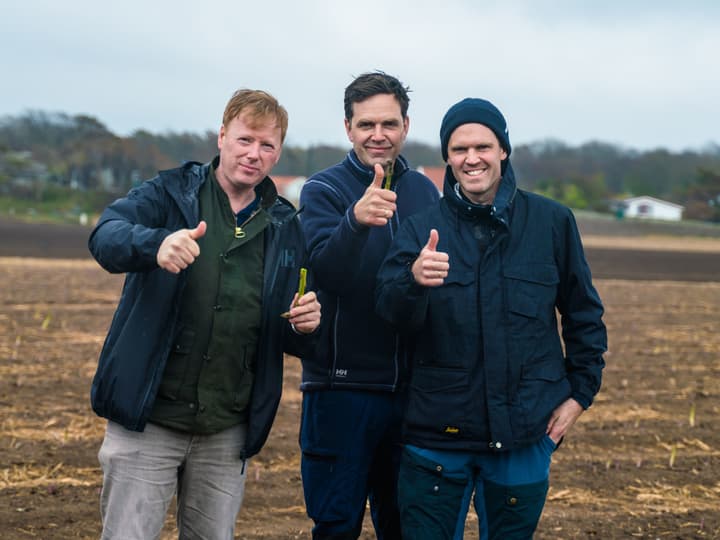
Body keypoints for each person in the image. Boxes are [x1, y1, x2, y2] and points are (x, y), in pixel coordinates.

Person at [88, 89, 321, 540]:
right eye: (245, 139)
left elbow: (291, 329)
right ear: (221, 136)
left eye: (267, 145)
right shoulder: (170, 193)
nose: (254, 154)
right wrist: (156, 244)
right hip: (149, 421)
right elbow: (106, 235)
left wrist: (307, 325)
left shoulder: (285, 226)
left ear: (278, 153)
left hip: (225, 430)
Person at [375, 98, 607, 539]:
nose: (472, 158)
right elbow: (389, 312)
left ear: (503, 150)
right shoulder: (420, 228)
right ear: (447, 157)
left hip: (525, 434)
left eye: (483, 146)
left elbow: (583, 315)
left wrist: (580, 394)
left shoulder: (551, 223)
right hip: (436, 439)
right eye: (459, 149)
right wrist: (412, 280)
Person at [297, 71, 440, 539]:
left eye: (389, 124)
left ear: (405, 125)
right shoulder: (324, 191)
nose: (378, 135)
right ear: (347, 128)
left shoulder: (424, 193)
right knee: (336, 525)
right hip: (342, 392)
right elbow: (325, 272)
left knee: (404, 525)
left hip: (410, 396)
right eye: (366, 125)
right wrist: (355, 223)